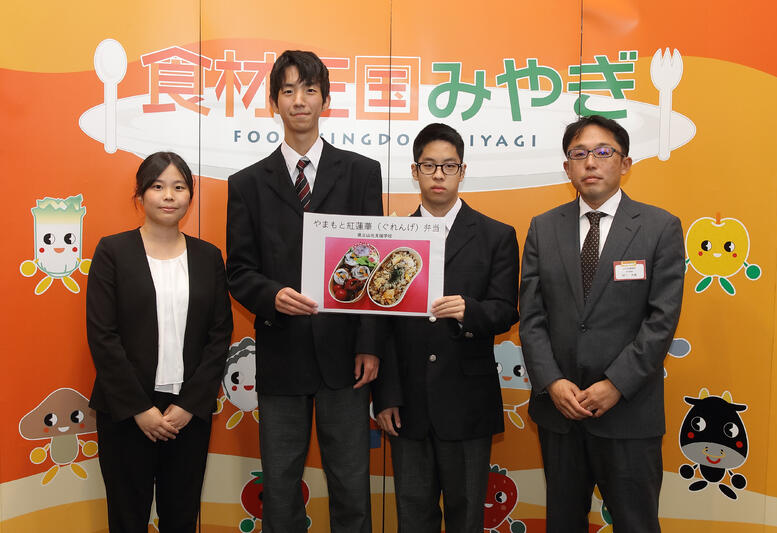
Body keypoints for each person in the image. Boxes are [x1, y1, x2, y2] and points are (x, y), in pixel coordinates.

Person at [225, 50, 383, 532]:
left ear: (325, 100)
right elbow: (239, 271)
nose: (299, 100)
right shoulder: (247, 184)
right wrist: (271, 296)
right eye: (289, 90)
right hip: (282, 354)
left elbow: (374, 265)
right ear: (274, 102)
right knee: (280, 486)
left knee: (351, 486)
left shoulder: (361, 172)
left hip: (346, 359)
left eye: (309, 90)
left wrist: (369, 345)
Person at [519, 115, 685, 532]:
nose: (590, 162)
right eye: (579, 154)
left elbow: (661, 320)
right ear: (567, 167)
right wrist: (552, 382)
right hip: (561, 412)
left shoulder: (660, 227)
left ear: (625, 163)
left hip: (629, 411)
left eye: (603, 152)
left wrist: (616, 384)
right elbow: (532, 317)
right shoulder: (543, 228)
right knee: (563, 522)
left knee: (635, 523)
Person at [373, 123, 519, 532]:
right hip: (407, 405)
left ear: (462, 171)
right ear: (415, 171)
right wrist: (386, 395)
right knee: (412, 517)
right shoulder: (393, 237)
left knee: (467, 517)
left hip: (467, 401)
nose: (439, 175)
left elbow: (506, 310)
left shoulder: (496, 235)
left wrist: (470, 311)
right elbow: (381, 327)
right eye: (429, 165)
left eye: (449, 166)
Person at [86, 151, 233, 533]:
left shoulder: (208, 257)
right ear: (140, 195)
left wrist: (189, 405)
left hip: (188, 413)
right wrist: (140, 409)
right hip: (126, 412)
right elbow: (103, 336)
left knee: (181, 518)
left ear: (190, 196)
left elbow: (219, 336)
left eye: (179, 187)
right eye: (157, 186)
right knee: (127, 519)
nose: (169, 195)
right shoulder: (112, 251)